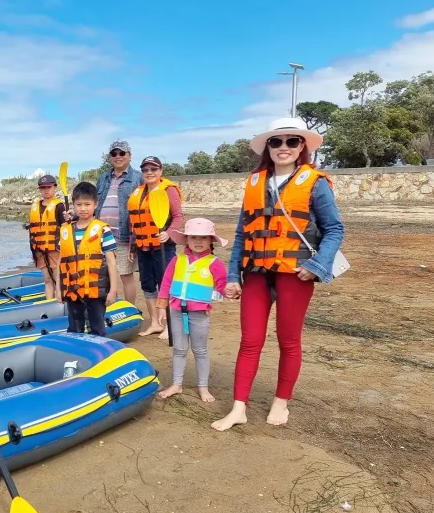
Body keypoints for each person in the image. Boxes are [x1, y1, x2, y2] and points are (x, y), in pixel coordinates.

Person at [212, 117, 345, 432]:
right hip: (257, 272)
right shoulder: (255, 183)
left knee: (289, 341)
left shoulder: (316, 182)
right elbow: (244, 234)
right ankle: (238, 408)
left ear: (302, 146)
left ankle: (281, 401)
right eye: (276, 141)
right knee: (250, 340)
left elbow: (335, 229)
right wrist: (233, 276)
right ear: (267, 147)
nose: (283, 147)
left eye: (291, 141)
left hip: (294, 274)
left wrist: (316, 266)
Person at [155, 218, 228, 403]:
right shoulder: (177, 260)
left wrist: (232, 291)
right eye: (193, 237)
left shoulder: (215, 263)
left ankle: (203, 386)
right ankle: (176, 384)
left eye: (203, 237)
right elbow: (166, 283)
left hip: (200, 315)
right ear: (186, 240)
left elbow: (222, 286)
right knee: (179, 349)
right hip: (177, 312)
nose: (198, 241)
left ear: (211, 240)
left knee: (200, 350)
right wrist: (162, 306)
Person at [127, 156, 184, 339]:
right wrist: (131, 246)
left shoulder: (168, 190)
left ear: (160, 171)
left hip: (163, 246)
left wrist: (169, 232)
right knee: (148, 285)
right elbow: (134, 224)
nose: (149, 173)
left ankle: (170, 325)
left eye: (153, 169)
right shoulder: (139, 192)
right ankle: (155, 323)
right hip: (143, 246)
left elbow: (178, 217)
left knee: (166, 285)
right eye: (145, 170)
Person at [56, 182, 118, 336]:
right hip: (73, 290)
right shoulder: (66, 231)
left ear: (96, 204)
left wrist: (113, 290)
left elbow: (111, 262)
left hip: (95, 291)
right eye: (79, 204)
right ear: (74, 206)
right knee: (74, 329)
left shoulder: (103, 230)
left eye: (87, 204)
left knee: (97, 329)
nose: (83, 208)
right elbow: (60, 262)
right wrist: (59, 289)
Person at [95, 140, 144, 306]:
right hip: (101, 236)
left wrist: (135, 240)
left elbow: (144, 208)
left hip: (125, 237)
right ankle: (108, 308)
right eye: (114, 154)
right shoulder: (103, 178)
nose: (118, 157)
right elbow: (95, 204)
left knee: (125, 275)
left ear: (129, 156)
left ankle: (130, 309)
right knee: (104, 274)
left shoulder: (138, 178)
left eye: (122, 153)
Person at [28, 174, 67, 300]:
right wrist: (33, 252)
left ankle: (60, 302)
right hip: (40, 251)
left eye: (48, 187)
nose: (46, 190)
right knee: (47, 280)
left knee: (57, 279)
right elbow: (31, 232)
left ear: (54, 187)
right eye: (43, 187)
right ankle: (49, 303)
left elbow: (65, 229)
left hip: (55, 250)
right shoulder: (35, 207)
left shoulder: (59, 206)